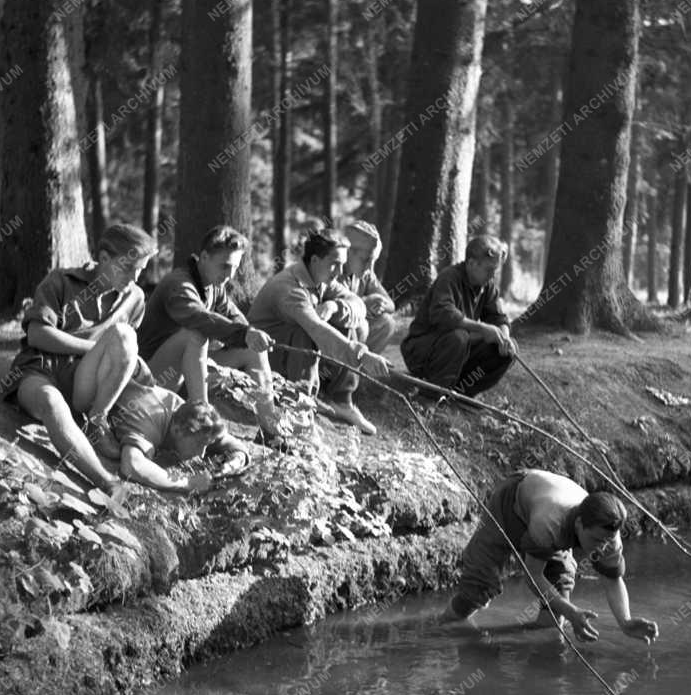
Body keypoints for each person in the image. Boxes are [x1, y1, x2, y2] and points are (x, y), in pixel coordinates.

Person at [0, 321, 232, 495]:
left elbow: (208, 427)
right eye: (199, 446)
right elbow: (134, 465)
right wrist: (183, 483)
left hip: (69, 368)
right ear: (181, 429)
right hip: (67, 379)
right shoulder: (149, 427)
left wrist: (232, 451)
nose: (201, 453)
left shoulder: (176, 403)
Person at [6, 222, 158, 490]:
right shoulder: (61, 281)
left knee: (125, 336)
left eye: (140, 271)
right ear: (104, 259)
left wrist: (132, 362)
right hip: (40, 371)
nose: (134, 278)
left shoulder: (135, 298)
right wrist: (93, 348)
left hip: (83, 383)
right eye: (127, 268)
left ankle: (96, 422)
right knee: (51, 404)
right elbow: (37, 335)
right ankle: (105, 481)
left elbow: (121, 351)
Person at [440, 469, 658, 645]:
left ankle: (522, 653)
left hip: (549, 509)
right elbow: (533, 575)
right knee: (478, 587)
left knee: (555, 617)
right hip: (512, 501)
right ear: (580, 525)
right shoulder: (550, 523)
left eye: (607, 541)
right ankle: (441, 628)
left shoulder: (609, 536)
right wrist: (573, 612)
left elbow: (613, 580)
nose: (602, 547)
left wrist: (625, 622)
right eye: (596, 540)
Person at [135, 225, 280, 444]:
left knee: (252, 350)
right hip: (152, 382)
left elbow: (236, 318)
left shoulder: (213, 285)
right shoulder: (179, 285)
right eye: (225, 266)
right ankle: (203, 426)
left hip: (187, 375)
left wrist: (249, 335)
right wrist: (242, 333)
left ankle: (271, 433)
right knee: (195, 335)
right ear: (203, 257)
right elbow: (199, 319)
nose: (230, 275)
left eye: (235, 268)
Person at [247, 228, 390, 435]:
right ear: (315, 260)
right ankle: (298, 408)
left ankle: (341, 401)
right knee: (305, 333)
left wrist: (335, 307)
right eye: (335, 264)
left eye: (342, 264)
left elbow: (357, 304)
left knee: (347, 322)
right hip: (263, 359)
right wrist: (363, 355)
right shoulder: (290, 288)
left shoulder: (320, 279)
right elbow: (317, 330)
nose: (340, 272)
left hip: (286, 355)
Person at [401, 236, 517, 399]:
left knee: (507, 351)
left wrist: (504, 337)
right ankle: (429, 397)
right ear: (471, 264)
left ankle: (462, 394)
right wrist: (482, 328)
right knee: (458, 337)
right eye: (489, 270)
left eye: (495, 271)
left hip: (455, 352)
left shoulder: (487, 286)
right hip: (421, 351)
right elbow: (444, 314)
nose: (492, 276)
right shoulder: (449, 277)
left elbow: (498, 318)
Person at [341, 220, 396, 354]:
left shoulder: (366, 274)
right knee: (361, 327)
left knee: (387, 323)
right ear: (348, 253)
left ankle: (360, 369)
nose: (369, 268)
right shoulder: (332, 270)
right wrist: (364, 304)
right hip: (332, 332)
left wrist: (379, 303)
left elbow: (391, 305)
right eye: (366, 260)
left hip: (353, 330)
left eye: (373, 262)